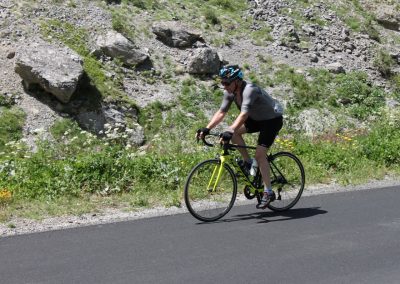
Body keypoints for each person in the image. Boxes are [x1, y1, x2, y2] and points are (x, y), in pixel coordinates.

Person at [197, 65, 283, 209]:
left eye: (227, 83)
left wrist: (230, 129)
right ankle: (248, 162)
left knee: (260, 155)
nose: (224, 86)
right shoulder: (230, 92)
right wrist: (207, 128)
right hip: (256, 120)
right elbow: (221, 112)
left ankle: (268, 192)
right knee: (234, 134)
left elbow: (243, 114)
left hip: (271, 121)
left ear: (237, 81)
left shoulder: (249, 90)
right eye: (222, 83)